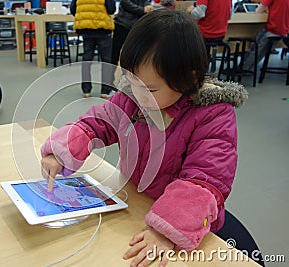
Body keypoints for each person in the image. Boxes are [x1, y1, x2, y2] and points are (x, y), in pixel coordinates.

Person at [40, 9, 248, 267]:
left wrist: (165, 231)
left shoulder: (213, 114)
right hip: (136, 202)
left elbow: (204, 181)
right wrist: (61, 150)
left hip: (180, 224)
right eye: (131, 81)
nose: (137, 95)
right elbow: (96, 124)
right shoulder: (132, 98)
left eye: (149, 89)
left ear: (189, 79)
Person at [70, 0, 116, 99]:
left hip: (86, 30)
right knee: (106, 61)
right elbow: (111, 9)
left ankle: (86, 90)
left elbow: (73, 9)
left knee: (87, 60)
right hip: (103, 30)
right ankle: (105, 90)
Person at [111, 0, 153, 82]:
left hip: (137, 26)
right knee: (114, 55)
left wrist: (148, 7)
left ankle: (129, 83)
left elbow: (146, 2)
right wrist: (142, 9)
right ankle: (107, 85)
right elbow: (125, 3)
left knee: (134, 56)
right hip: (123, 24)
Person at [242, 0, 289, 72]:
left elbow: (258, 11)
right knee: (262, 50)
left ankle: (243, 68)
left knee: (255, 47)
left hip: (272, 29)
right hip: (284, 30)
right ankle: (248, 68)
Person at [187, 0, 232, 72]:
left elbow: (199, 14)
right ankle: (203, 70)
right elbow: (230, 16)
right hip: (221, 34)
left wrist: (190, 10)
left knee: (183, 38)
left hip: (205, 33)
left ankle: (193, 73)